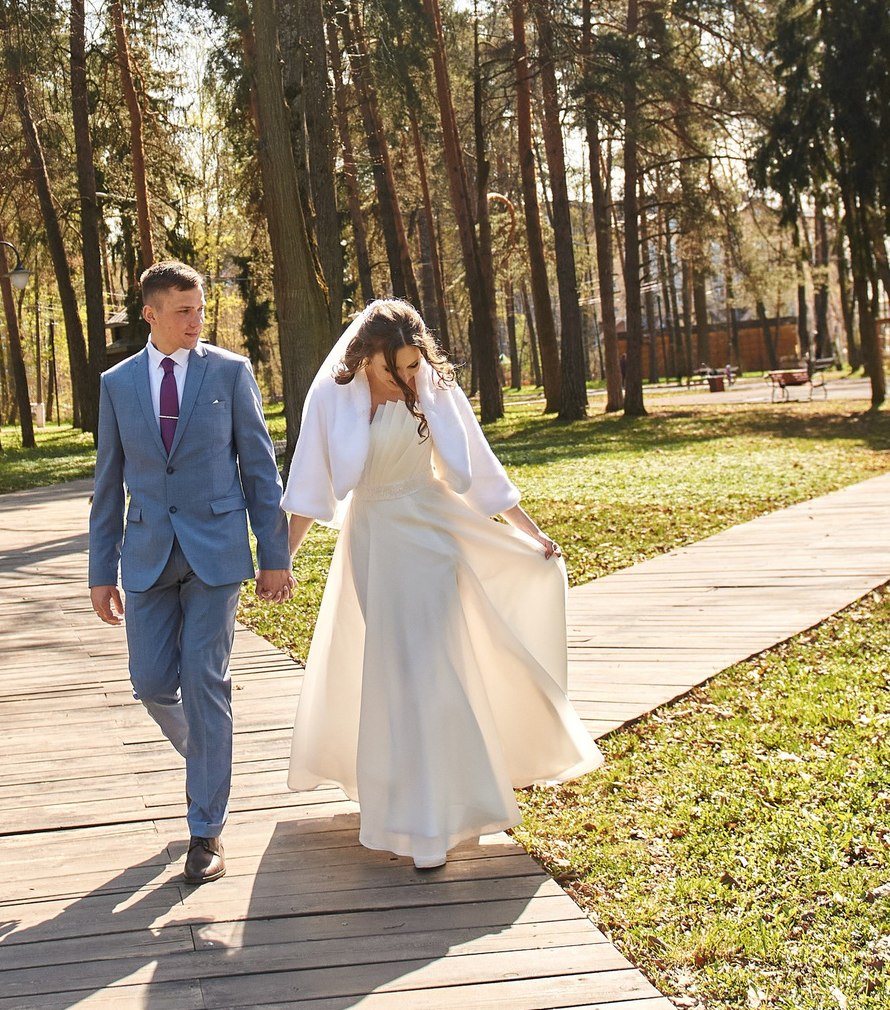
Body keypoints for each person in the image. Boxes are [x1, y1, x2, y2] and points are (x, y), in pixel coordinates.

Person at [281, 298, 601, 871]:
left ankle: (435, 822)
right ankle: (404, 804)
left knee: (430, 666)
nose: (406, 377)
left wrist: (531, 533)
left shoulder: (432, 386)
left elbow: (479, 465)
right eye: (394, 367)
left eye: (412, 365)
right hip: (374, 540)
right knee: (395, 670)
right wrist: (279, 561)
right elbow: (310, 484)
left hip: (433, 534)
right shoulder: (334, 396)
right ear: (365, 356)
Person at [88, 260, 292, 885]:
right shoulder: (118, 384)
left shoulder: (229, 373)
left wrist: (274, 555)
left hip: (217, 552)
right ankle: (209, 752)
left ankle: (206, 830)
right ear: (150, 314)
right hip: (147, 554)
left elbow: (259, 468)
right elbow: (108, 483)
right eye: (183, 311)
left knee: (205, 681)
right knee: (151, 682)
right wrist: (101, 570)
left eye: (201, 309)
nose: (197, 321)